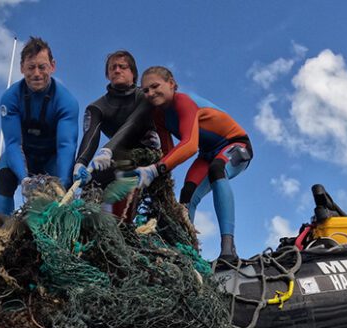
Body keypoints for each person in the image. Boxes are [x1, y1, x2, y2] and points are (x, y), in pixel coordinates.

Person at [128, 66, 253, 264]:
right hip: (207, 153)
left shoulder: (183, 102)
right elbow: (169, 154)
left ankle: (228, 250)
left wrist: (155, 169)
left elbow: (189, 145)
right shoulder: (158, 115)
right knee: (186, 195)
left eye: (155, 86)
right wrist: (153, 172)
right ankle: (184, 249)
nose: (150, 93)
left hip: (235, 144)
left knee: (217, 170)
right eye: (145, 90)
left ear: (171, 84)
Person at [0, 36, 79, 217]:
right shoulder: (10, 98)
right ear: (22, 68)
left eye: (42, 66)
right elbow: (13, 144)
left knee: (64, 186)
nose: (37, 73)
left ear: (52, 66)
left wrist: (63, 184)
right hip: (23, 155)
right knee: (5, 177)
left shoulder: (66, 101)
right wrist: (24, 179)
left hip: (52, 160)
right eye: (31, 67)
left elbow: (66, 146)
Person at [72, 50, 156, 188]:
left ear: (133, 73)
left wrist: (107, 150)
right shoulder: (96, 108)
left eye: (122, 67)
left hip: (151, 156)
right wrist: (80, 163)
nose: (117, 70)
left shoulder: (146, 96)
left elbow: (133, 123)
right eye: (112, 67)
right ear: (107, 75)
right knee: (91, 183)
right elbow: (90, 137)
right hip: (119, 157)